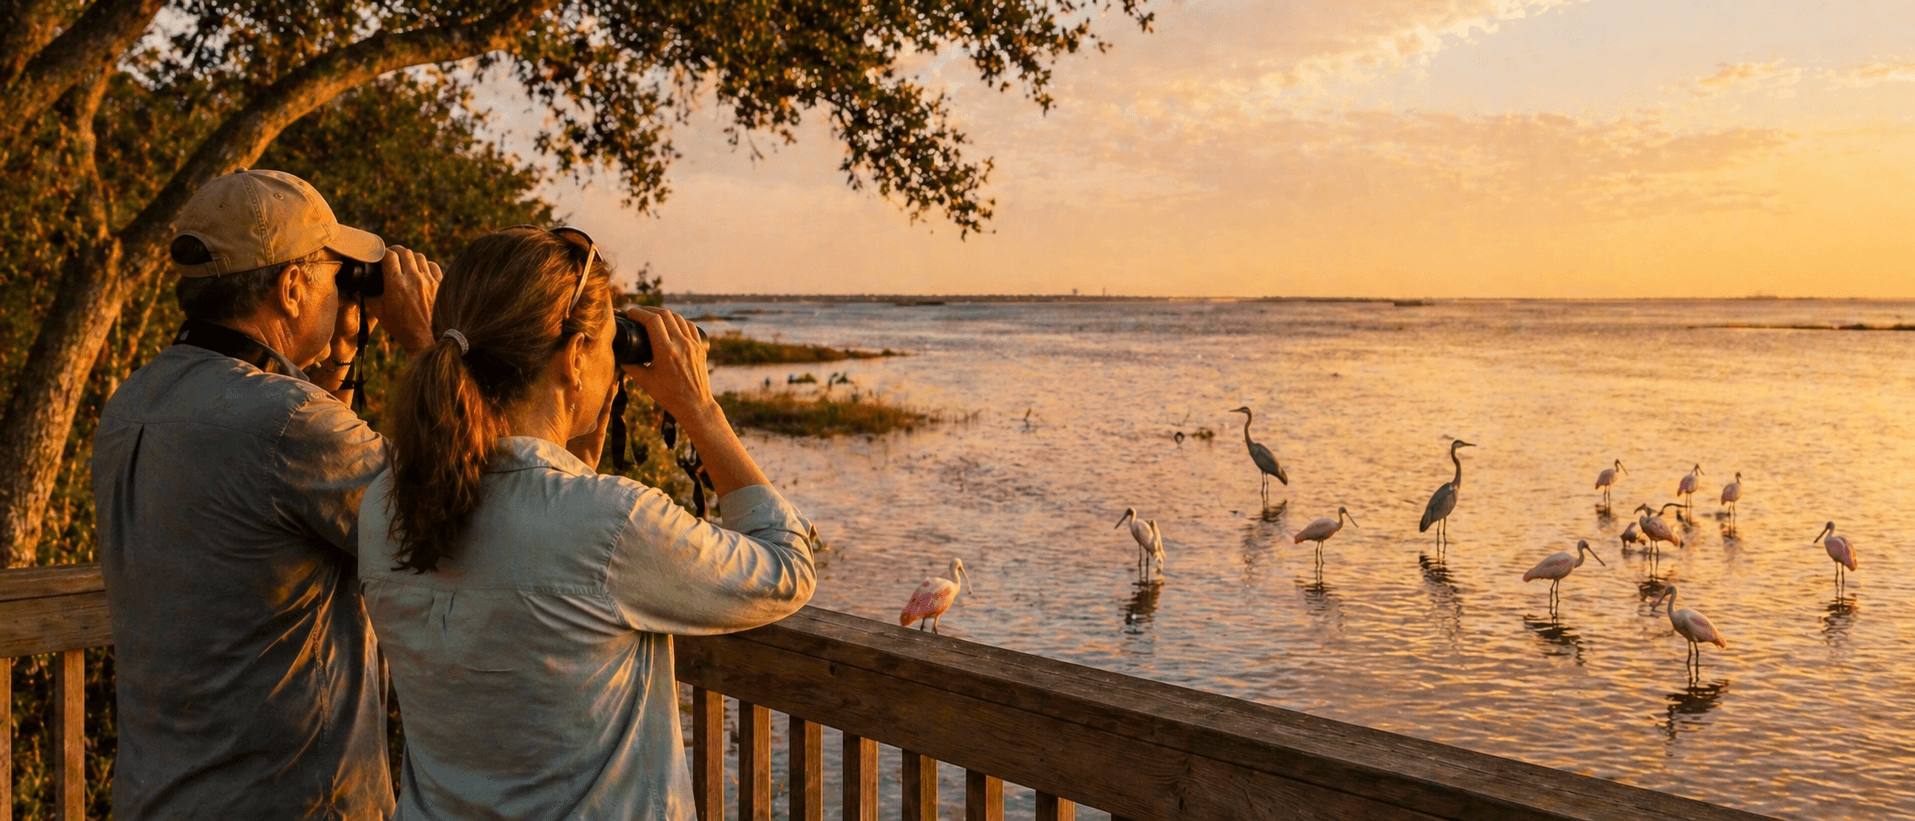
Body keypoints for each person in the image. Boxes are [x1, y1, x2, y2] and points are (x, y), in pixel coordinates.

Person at [358, 227, 815, 819]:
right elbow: (786, 568)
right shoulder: (611, 521)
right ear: (574, 358)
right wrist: (699, 407)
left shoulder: (386, 504)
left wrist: (574, 466)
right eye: (606, 345)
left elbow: (521, 546)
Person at [91, 169, 441, 819]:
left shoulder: (133, 402)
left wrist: (330, 372)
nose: (344, 293)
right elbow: (447, 520)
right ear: (290, 286)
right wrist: (429, 345)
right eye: (337, 275)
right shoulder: (285, 422)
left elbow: (281, 520)